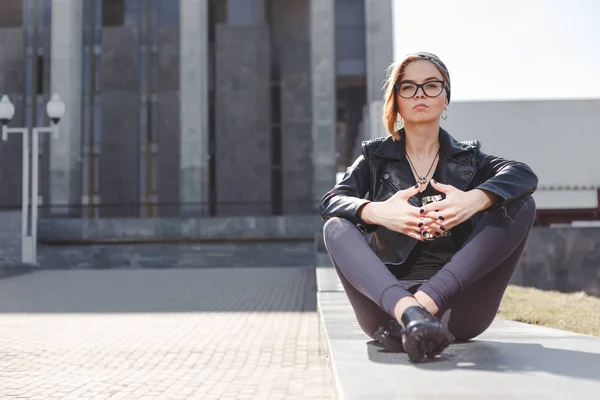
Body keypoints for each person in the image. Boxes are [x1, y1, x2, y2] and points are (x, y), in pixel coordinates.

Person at [320, 52, 538, 363]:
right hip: (386, 306)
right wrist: (377, 212)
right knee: (335, 226)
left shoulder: (470, 158)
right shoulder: (374, 158)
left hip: (455, 308)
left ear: (446, 98)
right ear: (396, 100)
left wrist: (473, 199)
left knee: (522, 204)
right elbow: (331, 201)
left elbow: (523, 174)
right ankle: (408, 313)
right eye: (408, 87)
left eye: (431, 85)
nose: (420, 93)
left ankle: (418, 311)